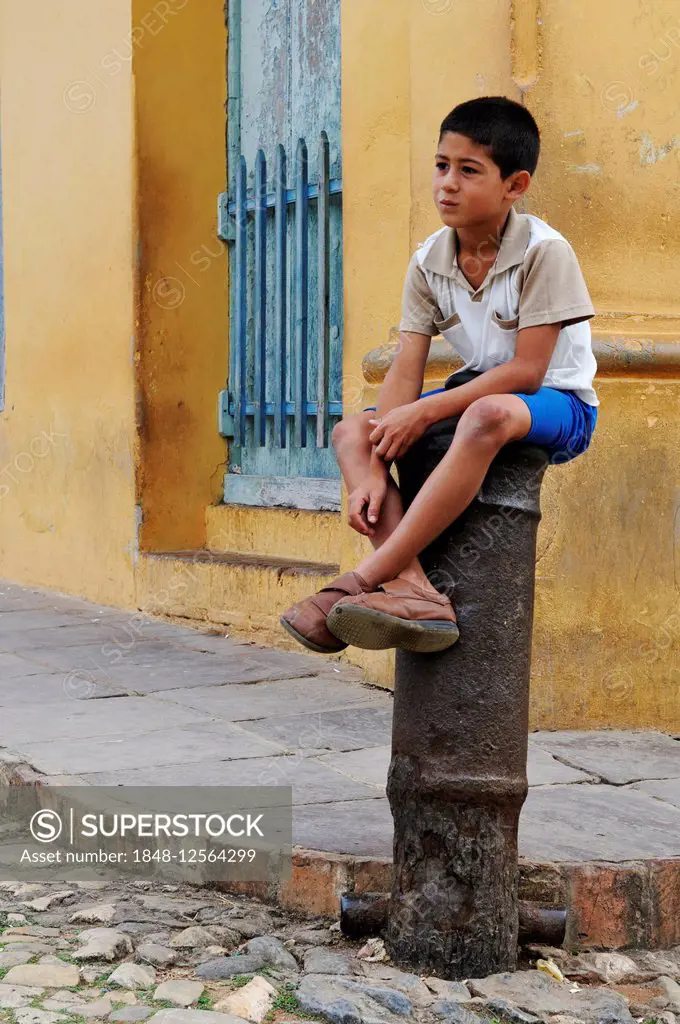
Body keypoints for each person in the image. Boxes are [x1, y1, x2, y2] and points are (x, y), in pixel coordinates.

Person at [280, 95, 598, 656]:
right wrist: (374, 461)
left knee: (484, 415)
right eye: (441, 166)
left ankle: (359, 581)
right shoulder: (429, 259)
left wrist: (425, 411)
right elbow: (407, 368)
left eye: (468, 170)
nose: (446, 184)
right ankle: (414, 590)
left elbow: (527, 371)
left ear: (515, 186)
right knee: (352, 431)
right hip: (476, 390)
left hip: (557, 402)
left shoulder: (545, 252)